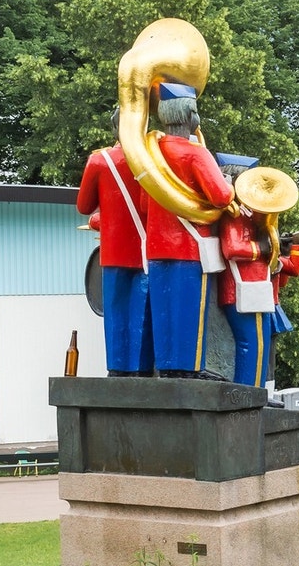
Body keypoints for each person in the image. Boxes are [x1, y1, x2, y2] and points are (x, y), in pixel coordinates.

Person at [143, 82, 235, 379]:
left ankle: (166, 367)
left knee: (162, 309)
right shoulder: (195, 154)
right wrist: (230, 185)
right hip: (190, 245)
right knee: (189, 312)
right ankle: (188, 368)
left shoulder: (150, 153)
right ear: (190, 114)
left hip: (156, 245)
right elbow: (221, 196)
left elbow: (145, 202)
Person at [75, 111, 153, 376]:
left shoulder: (99, 161)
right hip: (147, 250)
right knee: (144, 311)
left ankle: (118, 369)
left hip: (114, 252)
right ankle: (143, 368)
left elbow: (84, 206)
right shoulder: (152, 160)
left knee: (115, 311)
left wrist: (103, 218)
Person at [219, 166, 299, 388]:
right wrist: (262, 247)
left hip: (257, 291)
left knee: (260, 346)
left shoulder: (255, 220)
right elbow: (232, 248)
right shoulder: (235, 216)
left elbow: (285, 270)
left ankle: (256, 393)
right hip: (242, 289)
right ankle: (247, 392)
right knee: (250, 344)